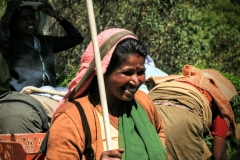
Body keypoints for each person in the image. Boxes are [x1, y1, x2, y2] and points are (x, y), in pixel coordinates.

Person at [45, 28, 166, 159]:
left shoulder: (143, 103)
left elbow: (159, 133)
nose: (136, 81)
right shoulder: (71, 119)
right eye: (127, 73)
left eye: (141, 72)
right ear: (102, 72)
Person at [146, 64, 240, 160]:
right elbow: (219, 156)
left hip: (146, 113)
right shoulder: (221, 104)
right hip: (182, 119)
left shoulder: (176, 81)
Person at [0, 0, 84, 92]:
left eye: (32, 17)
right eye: (24, 18)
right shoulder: (10, 44)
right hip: (26, 94)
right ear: (14, 23)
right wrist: (7, 15)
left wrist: (57, 16)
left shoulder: (46, 42)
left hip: (51, 91)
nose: (30, 21)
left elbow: (76, 38)